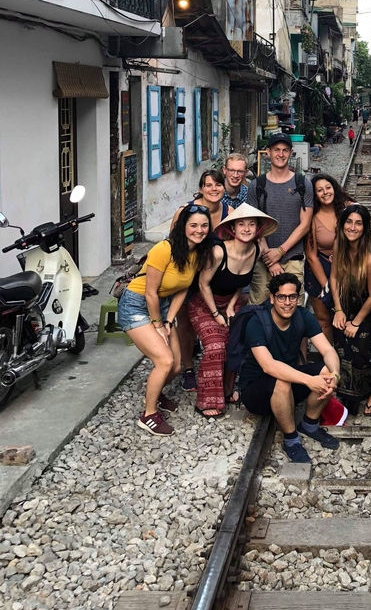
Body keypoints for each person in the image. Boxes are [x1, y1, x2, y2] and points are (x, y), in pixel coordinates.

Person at [117, 205, 216, 436]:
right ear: (182, 227)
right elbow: (150, 292)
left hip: (162, 305)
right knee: (164, 360)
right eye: (193, 225)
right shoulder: (164, 249)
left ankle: (156, 391)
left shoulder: (198, 254)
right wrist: (158, 324)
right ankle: (148, 415)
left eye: (204, 225)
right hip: (136, 303)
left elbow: (182, 289)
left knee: (178, 364)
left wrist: (169, 321)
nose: (199, 230)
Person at [239, 273, 341, 463]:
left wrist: (335, 374)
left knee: (326, 371)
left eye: (292, 297)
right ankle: (291, 440)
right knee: (282, 380)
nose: (287, 302)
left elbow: (328, 350)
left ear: (298, 298)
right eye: (281, 297)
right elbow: (269, 366)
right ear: (272, 298)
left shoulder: (303, 316)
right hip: (255, 391)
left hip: (287, 380)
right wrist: (309, 380)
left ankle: (310, 425)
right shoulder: (257, 322)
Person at [187, 204, 278, 417]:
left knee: (236, 344)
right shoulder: (218, 252)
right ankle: (207, 400)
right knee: (216, 346)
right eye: (241, 224)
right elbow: (203, 284)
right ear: (233, 229)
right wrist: (217, 314)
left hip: (230, 303)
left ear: (257, 229)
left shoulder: (255, 250)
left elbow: (240, 280)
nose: (246, 229)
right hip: (203, 304)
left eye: (251, 225)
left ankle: (227, 390)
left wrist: (230, 306)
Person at [169, 169, 231, 392]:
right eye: (209, 185)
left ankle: (218, 363)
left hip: (213, 277)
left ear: (224, 188)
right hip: (187, 274)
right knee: (185, 322)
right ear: (200, 189)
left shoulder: (229, 212)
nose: (214, 189)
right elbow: (173, 245)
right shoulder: (184, 212)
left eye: (218, 185)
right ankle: (187, 369)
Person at [246, 133, 314, 305]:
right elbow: (253, 225)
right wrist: (270, 259)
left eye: (285, 150)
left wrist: (281, 252)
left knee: (293, 310)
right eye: (276, 150)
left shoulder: (302, 183)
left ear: (291, 153)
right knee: (259, 311)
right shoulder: (257, 186)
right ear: (268, 152)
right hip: (263, 259)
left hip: (292, 259)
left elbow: (304, 225)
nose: (280, 154)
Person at [331, 204, 371, 415]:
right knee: (342, 352)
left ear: (365, 227)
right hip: (344, 306)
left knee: (359, 357)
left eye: (358, 223)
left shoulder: (369, 257)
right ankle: (348, 392)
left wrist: (356, 322)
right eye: (349, 222)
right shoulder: (338, 246)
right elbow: (333, 278)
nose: (353, 227)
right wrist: (338, 310)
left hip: (365, 312)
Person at [304, 174, 352, 341]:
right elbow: (311, 256)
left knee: (348, 314)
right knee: (324, 318)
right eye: (319, 190)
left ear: (334, 188)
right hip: (320, 268)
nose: (325, 192)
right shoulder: (311, 217)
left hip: (347, 267)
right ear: (314, 194)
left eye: (328, 187)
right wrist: (327, 286)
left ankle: (347, 357)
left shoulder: (348, 209)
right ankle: (328, 358)